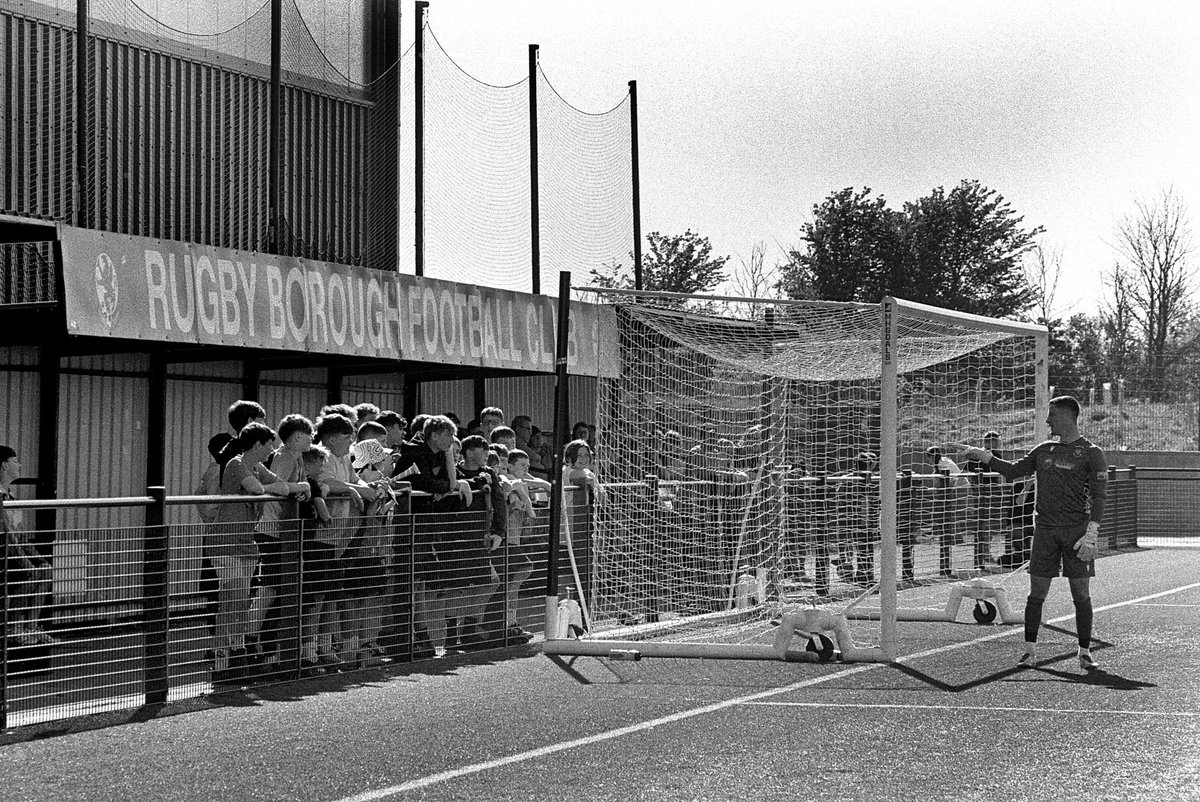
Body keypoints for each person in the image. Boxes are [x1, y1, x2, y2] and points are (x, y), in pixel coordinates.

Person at [953, 395, 1107, 671]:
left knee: (1080, 593)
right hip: (1045, 533)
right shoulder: (1043, 450)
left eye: (1052, 414)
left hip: (1076, 534)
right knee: (1036, 593)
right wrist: (984, 455)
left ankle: (1084, 652)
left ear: (1069, 416)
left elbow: (1100, 496)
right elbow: (1013, 472)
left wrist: (1091, 534)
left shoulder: (1092, 453)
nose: (1047, 420)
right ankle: (1029, 651)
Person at [1, 445, 57, 646]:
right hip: (4, 554)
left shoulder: (10, 495)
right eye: (15, 462)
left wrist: (38, 559)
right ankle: (14, 627)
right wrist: (26, 562)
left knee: (45, 570)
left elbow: (20, 533)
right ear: (4, 466)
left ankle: (31, 625)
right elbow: (7, 535)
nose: (19, 465)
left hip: (13, 552)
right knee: (29, 573)